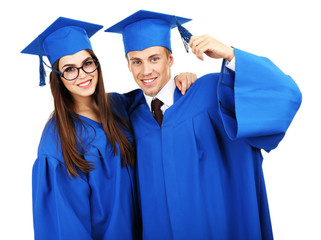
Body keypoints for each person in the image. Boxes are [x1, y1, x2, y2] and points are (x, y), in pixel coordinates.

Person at [105, 10, 302, 239]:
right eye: (136, 61)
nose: (146, 70)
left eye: (154, 58)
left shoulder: (211, 94)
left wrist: (230, 55)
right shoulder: (129, 116)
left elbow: (285, 94)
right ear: (128, 66)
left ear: (170, 59)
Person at [22, 17, 196, 240]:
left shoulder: (119, 106)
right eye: (69, 69)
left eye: (87, 63)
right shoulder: (56, 142)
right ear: (58, 78)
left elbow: (157, 96)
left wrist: (181, 78)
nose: (82, 74)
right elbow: (65, 227)